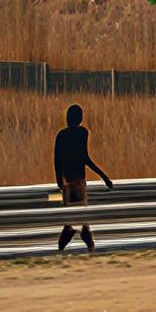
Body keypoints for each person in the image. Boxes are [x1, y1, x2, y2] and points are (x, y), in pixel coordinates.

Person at [54, 103, 113, 252]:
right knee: (81, 218)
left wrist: (59, 180)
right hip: (79, 181)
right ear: (80, 119)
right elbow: (85, 158)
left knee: (72, 217)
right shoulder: (82, 133)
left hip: (66, 182)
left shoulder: (61, 135)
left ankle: (65, 245)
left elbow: (57, 160)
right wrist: (104, 177)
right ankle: (86, 244)